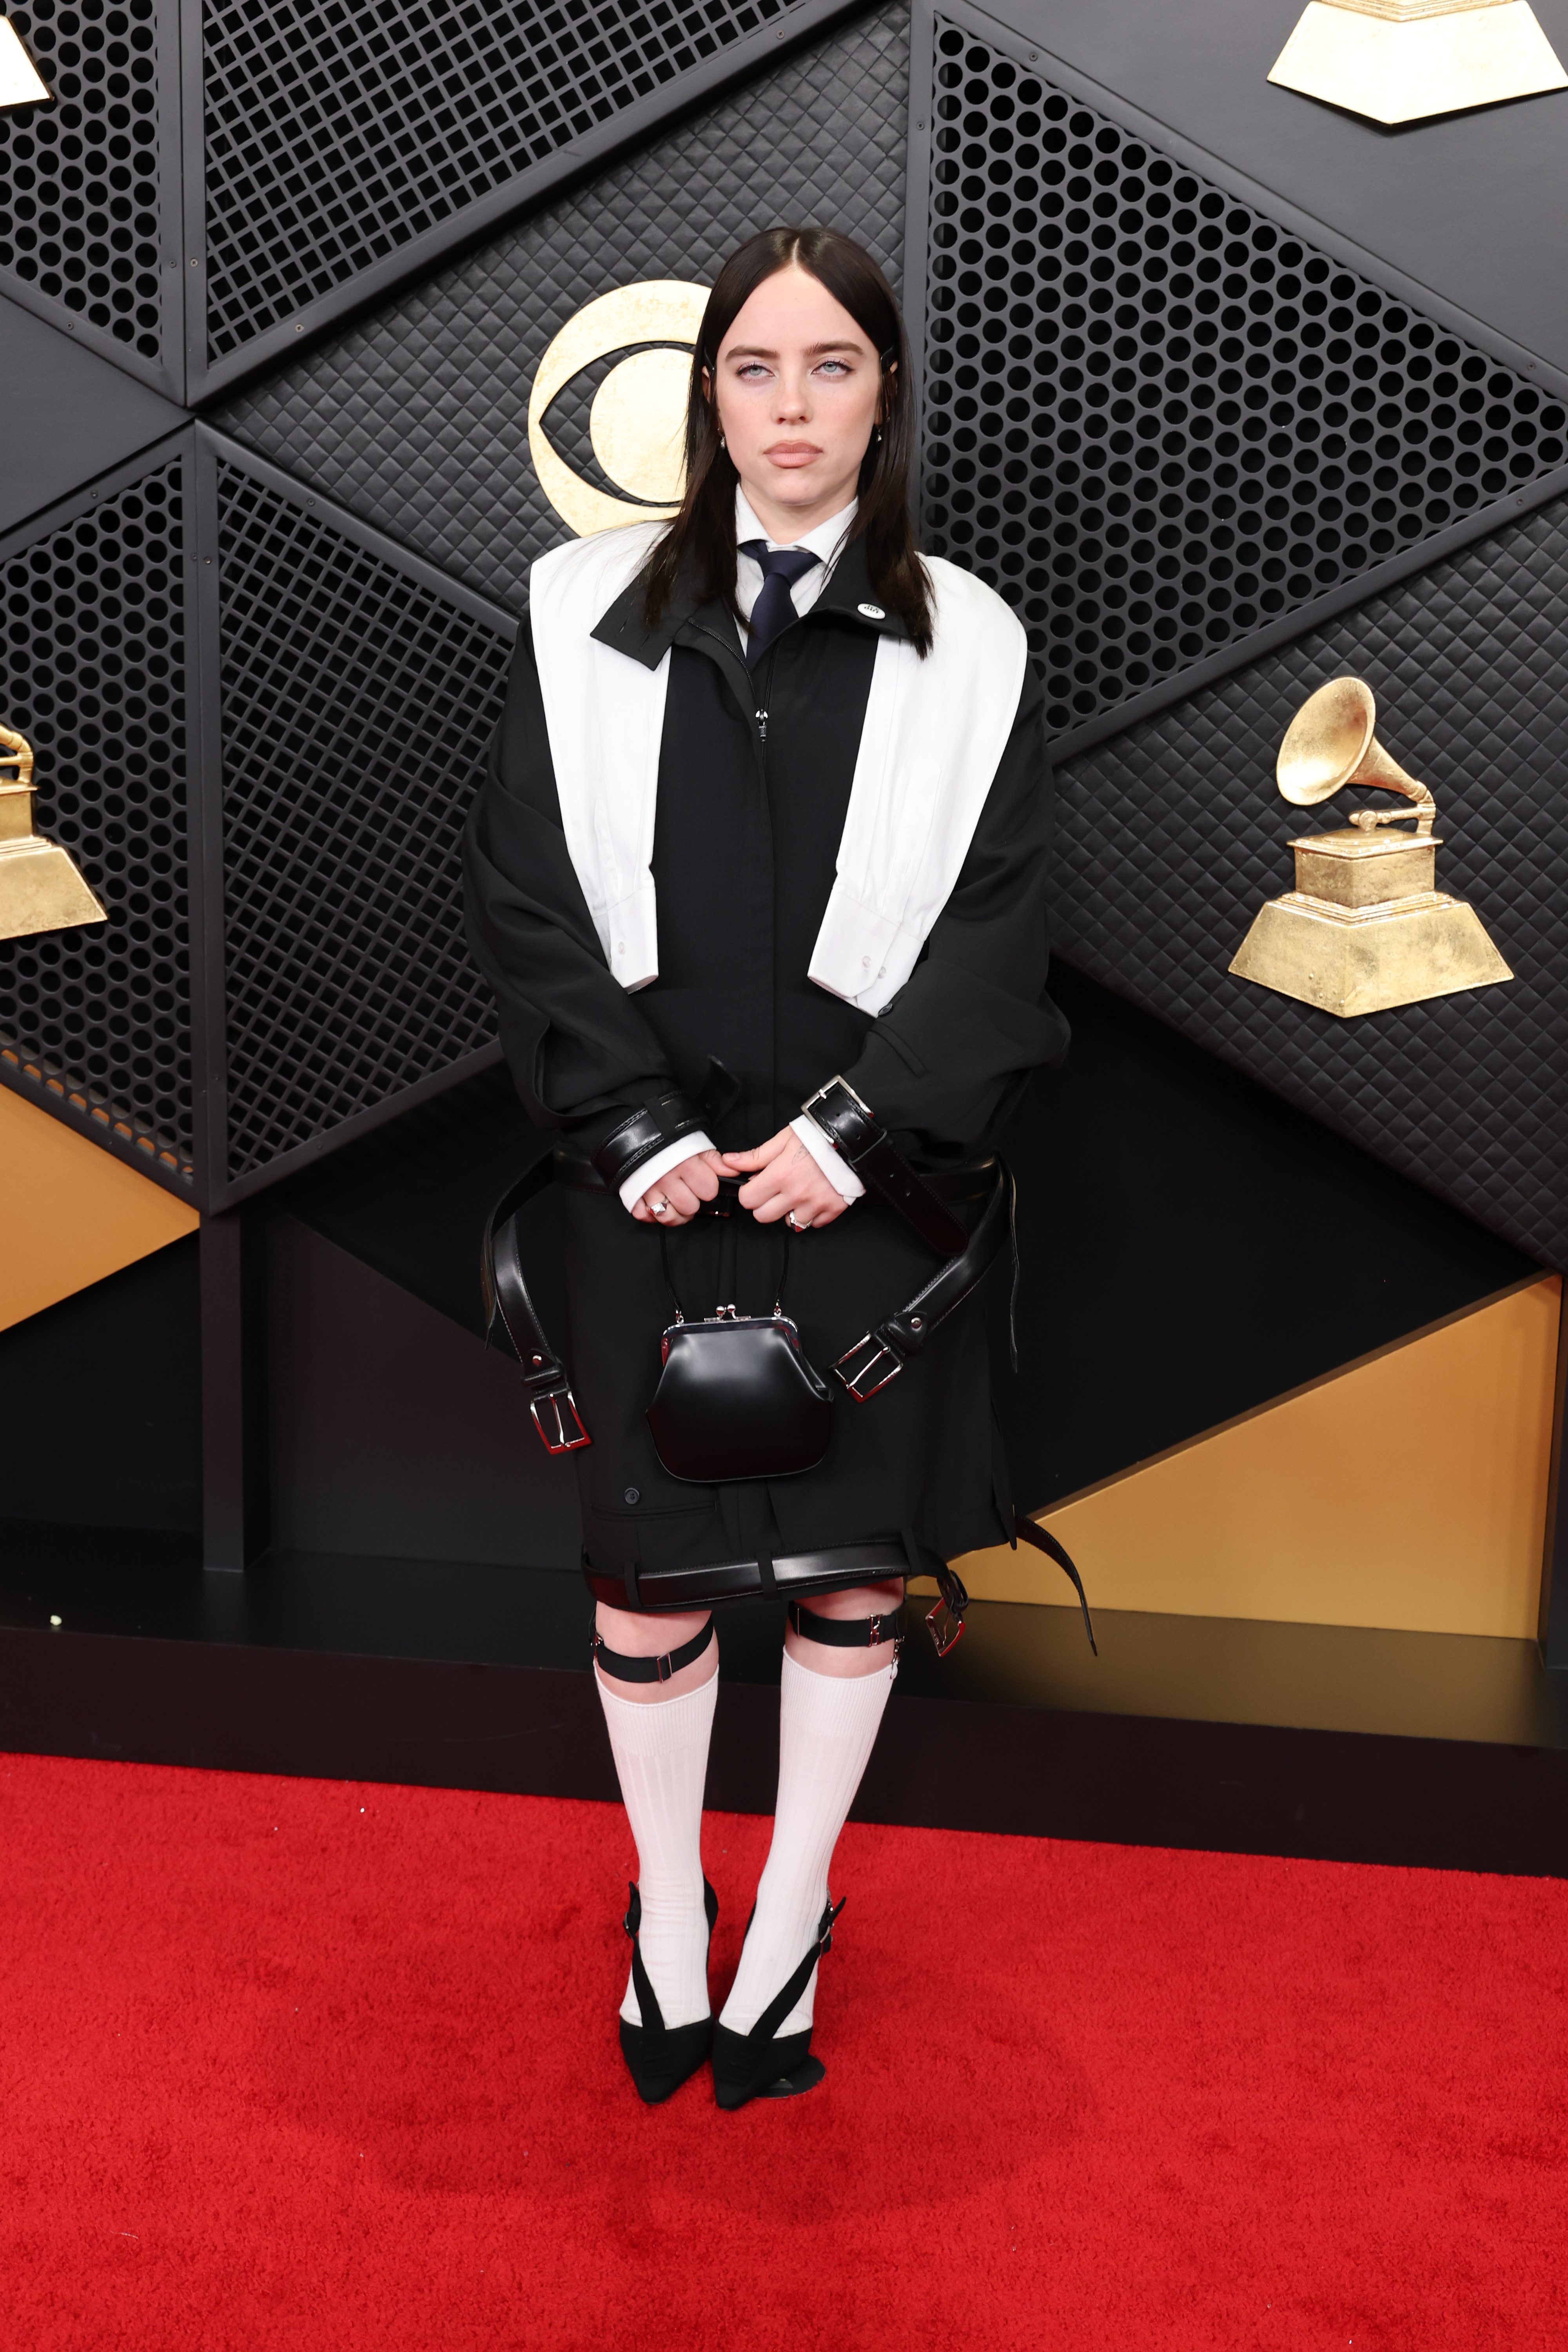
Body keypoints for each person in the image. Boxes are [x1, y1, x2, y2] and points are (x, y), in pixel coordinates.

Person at [464, 223, 1068, 2112]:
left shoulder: (969, 639)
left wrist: (851, 1135)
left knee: (847, 1582)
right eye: (753, 369)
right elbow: (527, 892)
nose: (789, 408)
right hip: (634, 1169)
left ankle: (791, 1911)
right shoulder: (580, 610)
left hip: (867, 1186)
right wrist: (631, 1127)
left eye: (830, 368)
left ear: (882, 396)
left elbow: (1002, 925)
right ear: (702, 394)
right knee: (646, 1589)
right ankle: (666, 1909)